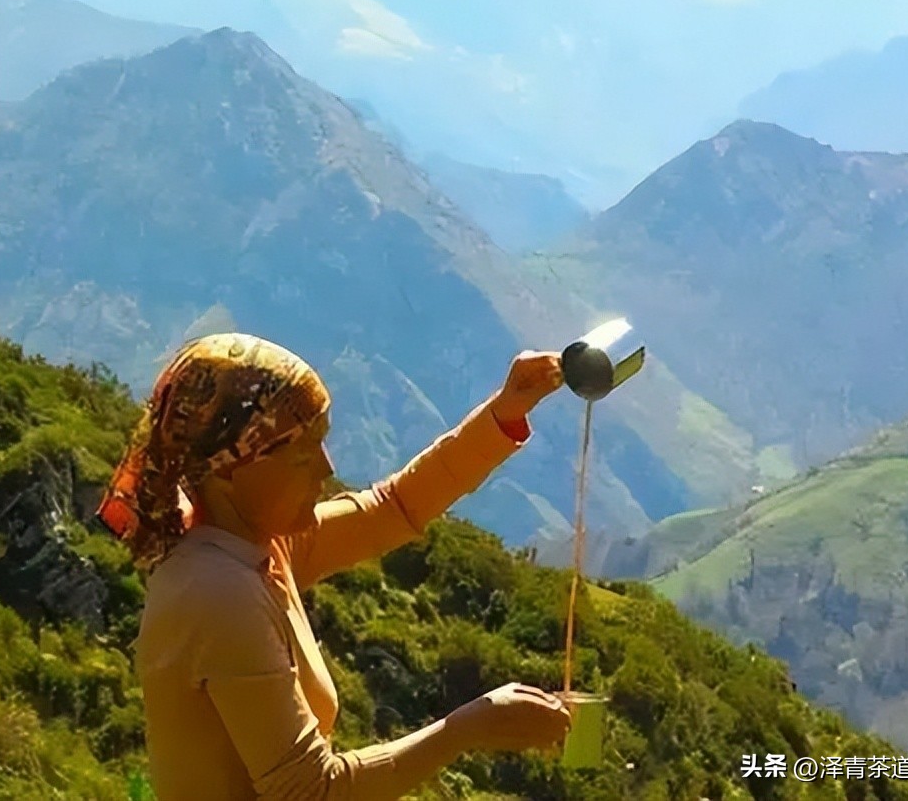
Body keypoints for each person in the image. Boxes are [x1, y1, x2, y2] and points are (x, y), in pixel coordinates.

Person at [97, 332, 573, 800]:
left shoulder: (258, 549)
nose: (326, 468)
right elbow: (310, 790)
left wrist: (506, 411)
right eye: (304, 452)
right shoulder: (219, 591)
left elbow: (394, 508)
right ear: (231, 467)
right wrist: (467, 729)